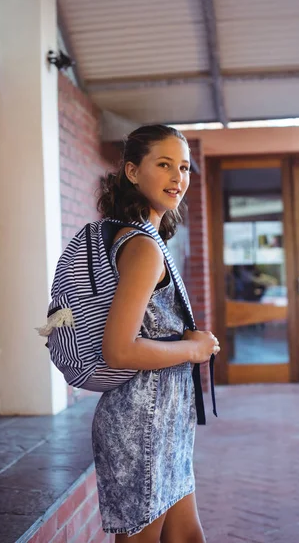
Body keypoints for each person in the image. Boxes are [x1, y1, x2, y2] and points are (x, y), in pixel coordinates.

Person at [92, 125, 220, 542]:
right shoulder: (142, 247)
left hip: (163, 417)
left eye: (182, 167)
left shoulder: (148, 239)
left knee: (186, 537)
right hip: (141, 421)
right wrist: (192, 349)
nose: (177, 178)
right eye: (163, 165)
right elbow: (119, 350)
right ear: (132, 171)